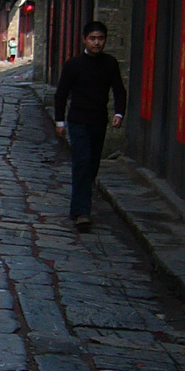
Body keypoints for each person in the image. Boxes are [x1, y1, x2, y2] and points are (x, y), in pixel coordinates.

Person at [54, 20, 126, 228]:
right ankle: (81, 212)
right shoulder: (73, 65)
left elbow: (119, 90)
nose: (97, 43)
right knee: (82, 162)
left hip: (98, 121)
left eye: (101, 39)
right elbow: (61, 95)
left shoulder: (110, 64)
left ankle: (79, 205)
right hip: (78, 121)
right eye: (93, 38)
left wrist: (119, 113)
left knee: (92, 164)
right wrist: (60, 121)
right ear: (84, 40)